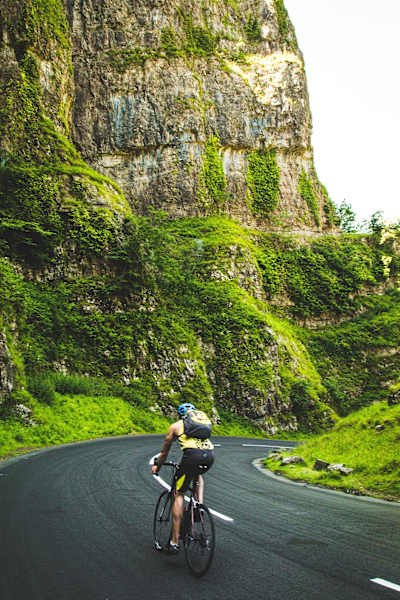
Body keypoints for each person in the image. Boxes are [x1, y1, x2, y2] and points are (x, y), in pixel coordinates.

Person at [151, 402, 214, 554]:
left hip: (192, 457)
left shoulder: (176, 426)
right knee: (197, 475)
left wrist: (157, 467)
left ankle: (173, 542)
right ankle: (198, 507)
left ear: (180, 415)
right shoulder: (200, 426)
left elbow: (164, 453)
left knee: (179, 493)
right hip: (209, 456)